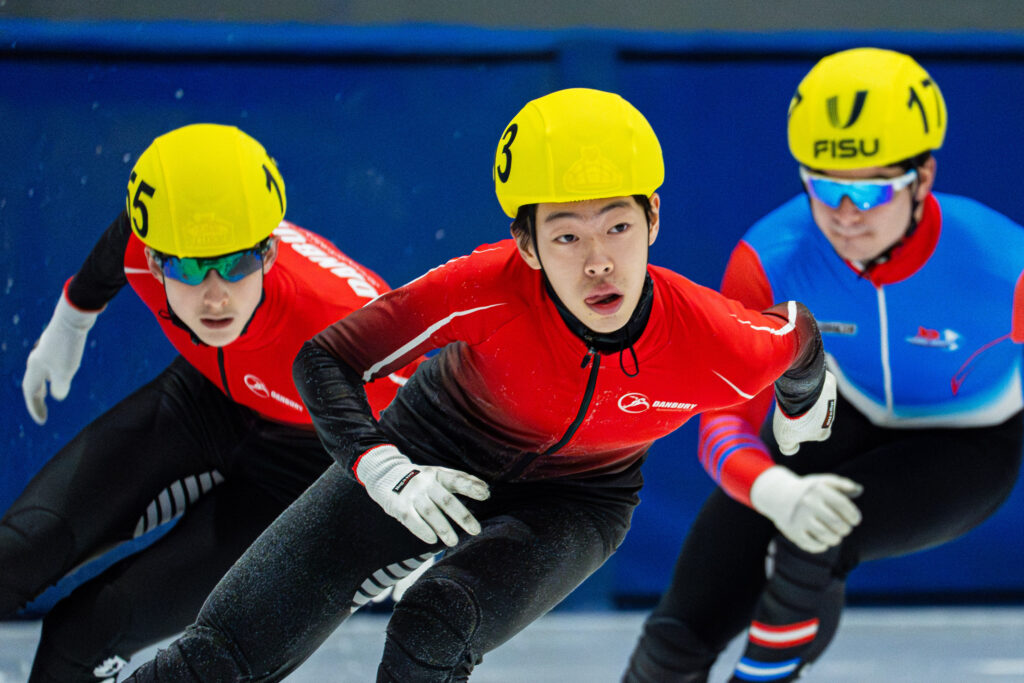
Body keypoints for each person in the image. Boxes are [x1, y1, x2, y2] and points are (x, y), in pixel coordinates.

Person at [123, 86, 839, 682]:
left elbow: (797, 333)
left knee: (434, 622)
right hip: (430, 448)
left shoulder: (714, 340)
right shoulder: (484, 286)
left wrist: (805, 399)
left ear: (654, 218)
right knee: (216, 656)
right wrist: (385, 470)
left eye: (618, 226)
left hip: (578, 501)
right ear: (525, 243)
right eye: (565, 236)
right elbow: (326, 360)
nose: (598, 262)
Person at [622, 47, 1024, 683]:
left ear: (923, 178)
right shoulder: (770, 259)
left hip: (968, 443)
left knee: (815, 542)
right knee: (678, 632)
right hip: (840, 417)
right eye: (824, 187)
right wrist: (772, 488)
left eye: (871, 189)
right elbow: (724, 417)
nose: (846, 214)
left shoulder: (1004, 266)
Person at [2, 123, 421, 682]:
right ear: (153, 262)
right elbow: (114, 247)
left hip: (299, 471)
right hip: (201, 404)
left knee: (85, 632)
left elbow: (447, 404)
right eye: (189, 267)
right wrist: (70, 322)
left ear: (269, 254)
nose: (215, 294)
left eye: (237, 264)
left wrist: (412, 529)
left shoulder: (342, 314)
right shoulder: (137, 248)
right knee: (16, 555)